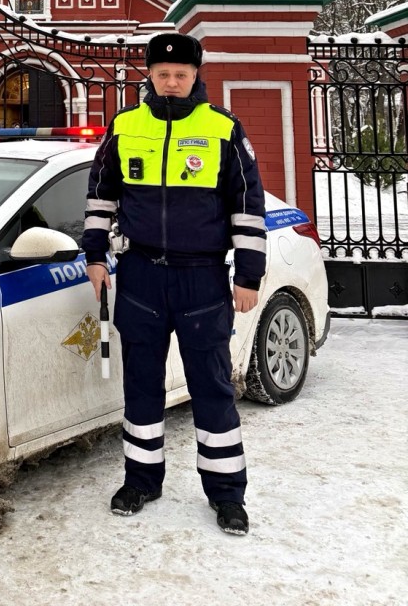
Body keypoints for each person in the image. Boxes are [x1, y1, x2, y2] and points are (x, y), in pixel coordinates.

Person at [82, 32, 266, 535]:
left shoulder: (222, 128)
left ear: (195, 75)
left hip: (201, 277)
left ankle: (227, 494)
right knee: (141, 386)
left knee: (211, 387)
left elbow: (247, 204)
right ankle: (141, 480)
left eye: (180, 74)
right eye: (163, 74)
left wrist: (248, 274)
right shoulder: (125, 125)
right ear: (149, 74)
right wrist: (94, 254)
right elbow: (101, 195)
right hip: (140, 275)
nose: (171, 81)